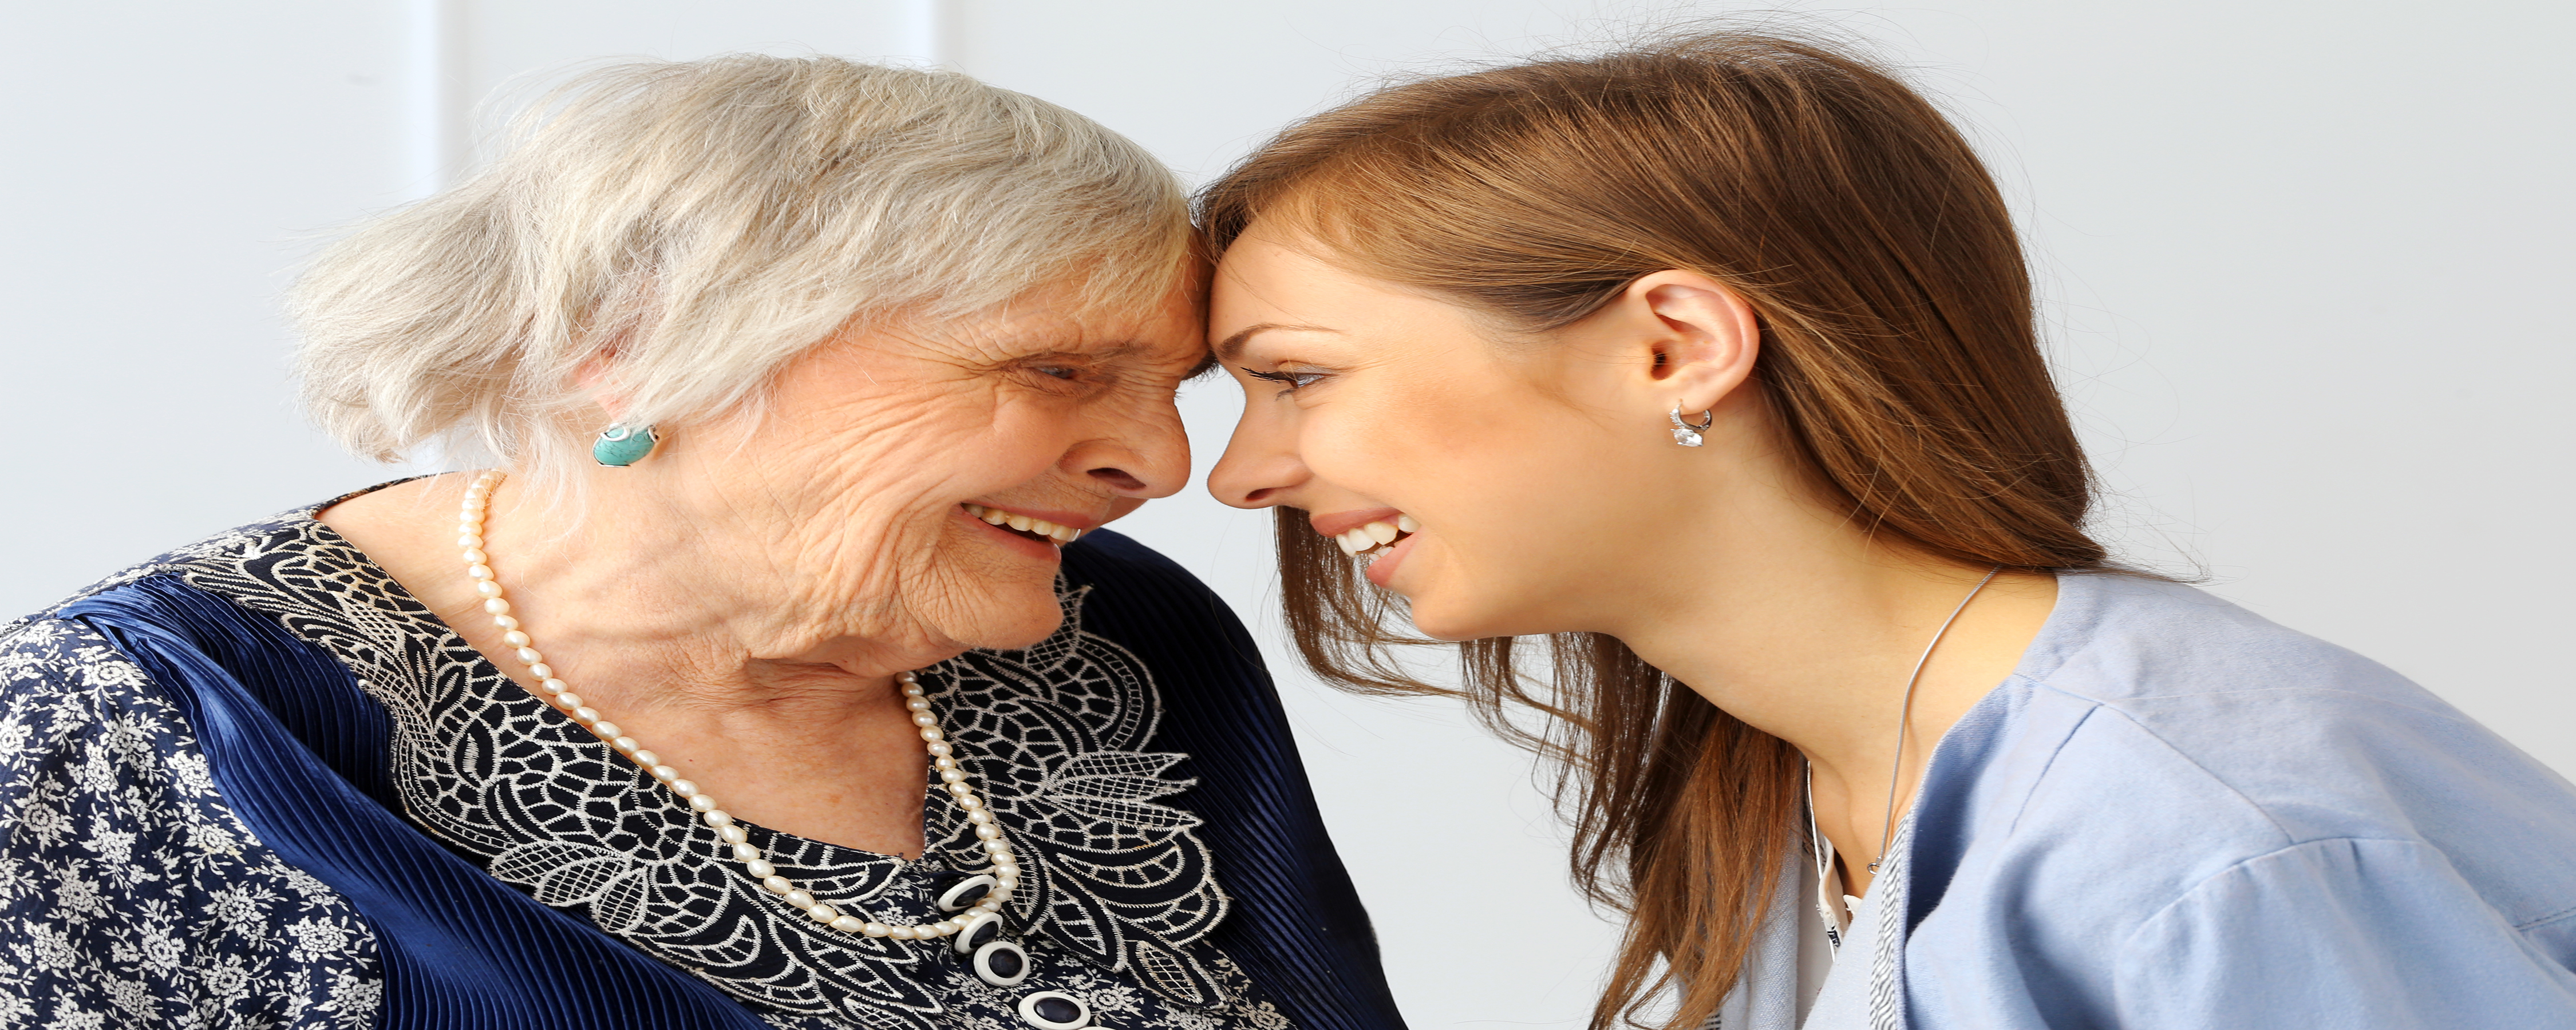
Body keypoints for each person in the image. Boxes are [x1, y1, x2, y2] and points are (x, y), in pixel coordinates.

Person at [1199, 30, 2576, 1030]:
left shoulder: (2205, 840)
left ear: (1675, 347)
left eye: (1298, 378)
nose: (1240, 478)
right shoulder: (1800, 787)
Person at [0, 56, 1403, 1030]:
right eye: (1055, 371)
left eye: (1172, 390)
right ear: (636, 348)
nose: (1162, 464)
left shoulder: (1121, 631)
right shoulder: (126, 731)